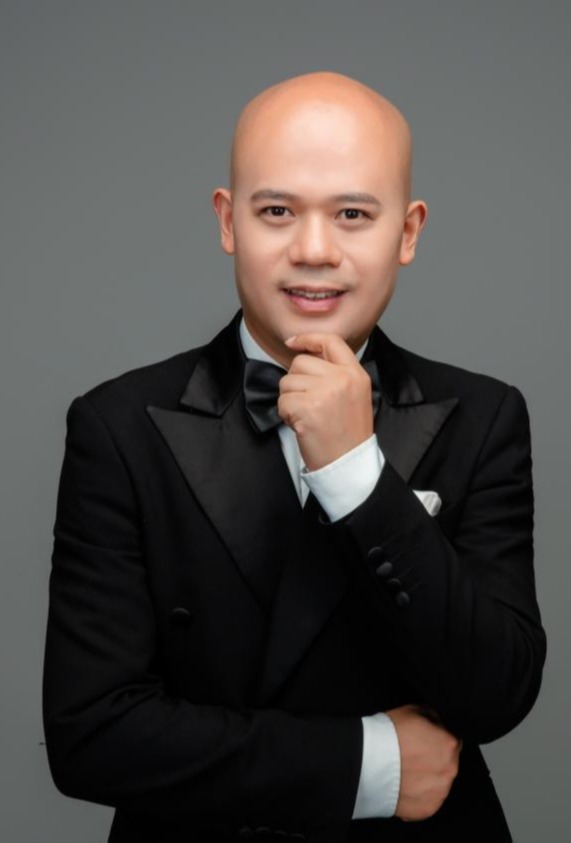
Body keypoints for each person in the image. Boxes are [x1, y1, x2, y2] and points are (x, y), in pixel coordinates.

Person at [43, 72, 546, 842]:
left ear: (407, 231)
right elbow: (90, 734)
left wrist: (357, 474)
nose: (313, 251)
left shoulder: (484, 416)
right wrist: (365, 764)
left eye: (353, 214)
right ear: (228, 221)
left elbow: (496, 692)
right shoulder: (117, 425)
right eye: (276, 211)